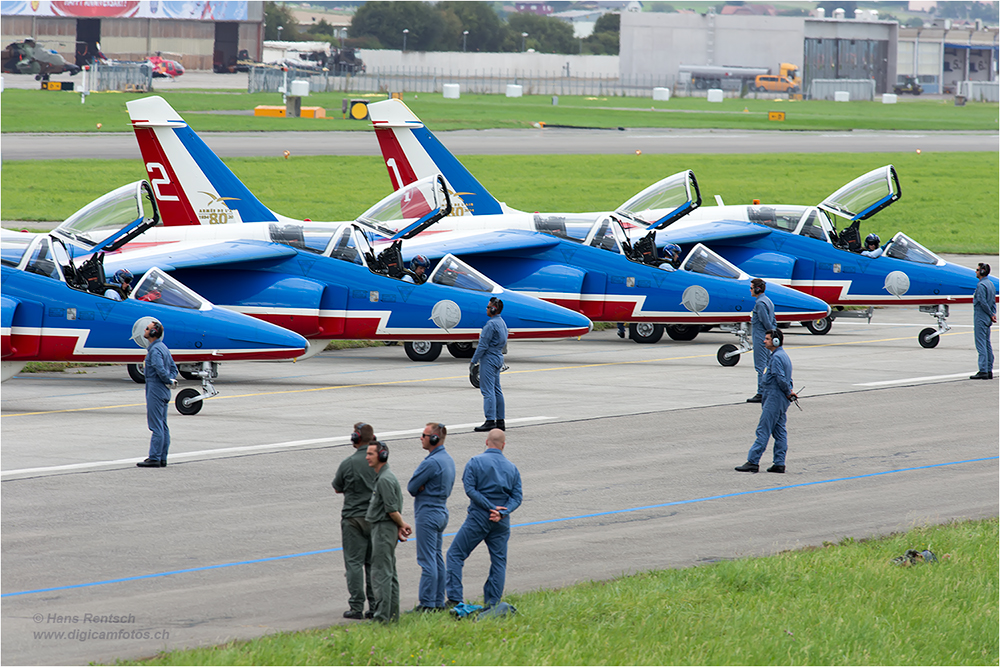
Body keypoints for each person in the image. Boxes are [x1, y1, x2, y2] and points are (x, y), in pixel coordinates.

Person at [446, 429, 522, 609]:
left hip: (479, 517)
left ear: (486, 442)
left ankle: (455, 598)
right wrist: (502, 512)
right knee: (498, 561)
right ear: (503, 445)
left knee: (455, 554)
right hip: (501, 521)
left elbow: (470, 490)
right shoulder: (512, 468)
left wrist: (489, 507)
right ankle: (493, 603)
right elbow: (517, 497)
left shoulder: (475, 462)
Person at [406, 422, 456, 612]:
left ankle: (427, 603)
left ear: (434, 439)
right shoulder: (447, 459)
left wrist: (421, 487)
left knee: (427, 560)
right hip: (441, 510)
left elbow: (411, 487)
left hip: (428, 513)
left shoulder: (430, 462)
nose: (421, 438)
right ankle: (437, 602)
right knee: (436, 557)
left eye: (424, 435)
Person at [331, 422, 378, 620]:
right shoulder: (378, 462)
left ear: (355, 439)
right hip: (375, 518)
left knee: (354, 563)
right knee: (373, 563)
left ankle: (356, 606)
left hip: (353, 517)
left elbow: (337, 487)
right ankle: (375, 605)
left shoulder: (347, 463)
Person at [736, 330, 797, 474]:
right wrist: (789, 392)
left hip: (774, 398)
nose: (764, 341)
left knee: (763, 429)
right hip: (780, 399)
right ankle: (779, 463)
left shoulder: (776, 358)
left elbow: (780, 378)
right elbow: (788, 378)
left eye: (768, 339)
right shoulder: (783, 356)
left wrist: (788, 392)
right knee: (780, 431)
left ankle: (753, 461)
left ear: (776, 341)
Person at [365, 440, 412, 623]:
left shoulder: (384, 479)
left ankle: (383, 617)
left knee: (382, 573)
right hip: (386, 527)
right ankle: (392, 616)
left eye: (370, 454)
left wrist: (401, 524)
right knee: (389, 573)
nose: (367, 457)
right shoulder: (385, 476)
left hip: (383, 529)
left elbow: (392, 510)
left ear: (382, 455)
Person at [137, 320, 177, 468]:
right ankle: (162, 457)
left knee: (155, 425)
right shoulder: (163, 347)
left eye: (147, 329)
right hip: (164, 389)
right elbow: (173, 368)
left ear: (153, 332)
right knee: (163, 425)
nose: (145, 330)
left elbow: (160, 369)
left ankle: (154, 457)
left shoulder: (154, 350)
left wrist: (166, 379)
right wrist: (170, 380)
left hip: (155, 387)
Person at [471, 297, 508, 432]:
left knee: (487, 391)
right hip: (498, 357)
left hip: (489, 358)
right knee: (497, 390)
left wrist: (473, 361)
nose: (486, 309)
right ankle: (500, 421)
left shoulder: (490, 325)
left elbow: (482, 345)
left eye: (488, 307)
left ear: (493, 309)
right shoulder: (502, 323)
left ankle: (490, 420)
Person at [747, 278, 777, 404]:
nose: (750, 290)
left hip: (761, 339)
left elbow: (766, 322)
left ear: (757, 289)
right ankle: (770, 390)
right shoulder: (768, 301)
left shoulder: (760, 304)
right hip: (767, 338)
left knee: (761, 366)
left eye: (751, 287)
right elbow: (773, 320)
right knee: (769, 365)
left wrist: (769, 335)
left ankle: (761, 392)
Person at [970, 262, 996, 380]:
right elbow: (993, 302)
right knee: (987, 343)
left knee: (981, 345)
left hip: (981, 317)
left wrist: (990, 313)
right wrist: (993, 314)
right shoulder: (990, 284)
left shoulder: (981, 286)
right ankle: (989, 369)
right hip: (988, 318)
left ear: (982, 272)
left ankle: (983, 370)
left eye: (977, 270)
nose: (975, 271)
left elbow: (982, 302)